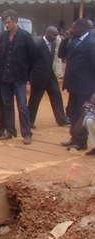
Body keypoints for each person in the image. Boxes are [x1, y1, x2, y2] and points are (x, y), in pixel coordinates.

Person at [0, 9, 35, 145]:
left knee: (22, 106)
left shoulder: (25, 36)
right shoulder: (3, 36)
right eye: (5, 23)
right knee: (7, 105)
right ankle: (10, 130)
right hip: (5, 77)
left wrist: (28, 76)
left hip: (19, 78)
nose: (6, 25)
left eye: (8, 22)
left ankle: (26, 133)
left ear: (15, 21)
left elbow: (32, 57)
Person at [58, 18, 95, 151]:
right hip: (73, 85)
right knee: (72, 112)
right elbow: (61, 54)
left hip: (85, 87)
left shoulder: (90, 44)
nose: (71, 29)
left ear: (81, 28)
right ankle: (74, 137)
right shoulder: (74, 41)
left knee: (82, 114)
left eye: (73, 27)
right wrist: (64, 39)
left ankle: (81, 142)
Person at [28, 26, 69, 128]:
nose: (55, 37)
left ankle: (61, 119)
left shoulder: (54, 43)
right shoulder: (37, 44)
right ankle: (29, 121)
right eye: (54, 35)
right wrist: (30, 76)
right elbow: (30, 61)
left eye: (56, 35)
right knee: (34, 101)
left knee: (57, 96)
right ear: (48, 33)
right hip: (39, 77)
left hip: (50, 76)